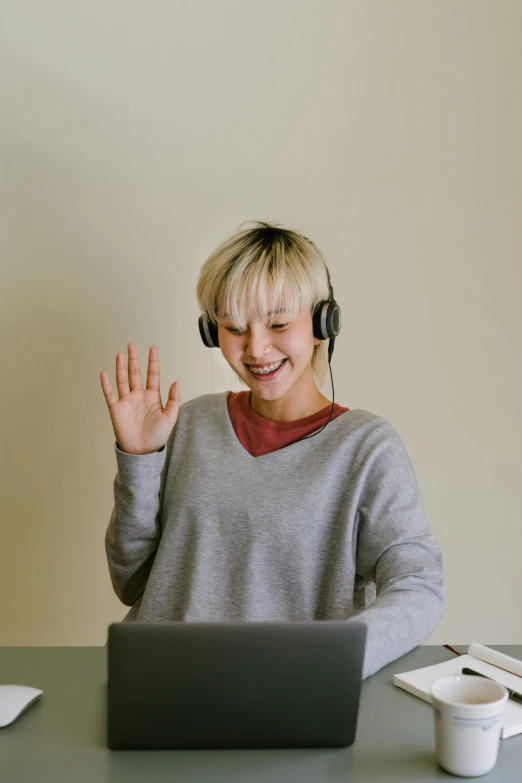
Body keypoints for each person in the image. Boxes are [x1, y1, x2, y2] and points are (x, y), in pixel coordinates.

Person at [101, 220, 445, 679]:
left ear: (324, 322)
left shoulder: (366, 448)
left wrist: (332, 662)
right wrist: (140, 460)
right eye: (234, 327)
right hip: (160, 683)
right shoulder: (187, 424)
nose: (257, 348)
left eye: (279, 323)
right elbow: (132, 583)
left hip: (288, 695)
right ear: (211, 330)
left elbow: (419, 585)